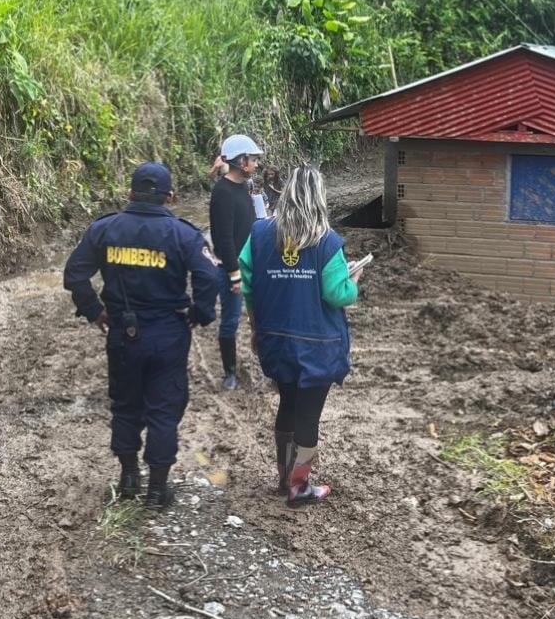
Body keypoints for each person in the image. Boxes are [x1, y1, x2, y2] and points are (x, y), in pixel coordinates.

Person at [63, 162, 219, 510]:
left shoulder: (105, 229)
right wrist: (200, 314)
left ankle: (129, 477)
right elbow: (209, 278)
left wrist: (95, 311)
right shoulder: (184, 234)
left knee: (125, 404)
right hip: (168, 334)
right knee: (164, 409)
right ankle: (157, 490)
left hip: (122, 332)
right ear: (170, 196)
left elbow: (75, 273)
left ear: (130, 193)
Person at [239, 166, 359, 506]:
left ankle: (283, 478)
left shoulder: (260, 235)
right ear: (318, 198)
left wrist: (255, 328)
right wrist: (353, 282)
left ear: (287, 192)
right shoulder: (327, 241)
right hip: (317, 344)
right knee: (309, 414)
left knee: (287, 403)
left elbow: (249, 285)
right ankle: (300, 487)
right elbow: (337, 294)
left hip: (275, 338)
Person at [209, 134, 263, 390]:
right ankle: (229, 372)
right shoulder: (222, 192)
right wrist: (233, 273)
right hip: (232, 267)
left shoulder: (244, 187)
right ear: (242, 161)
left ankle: (266, 364)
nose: (255, 163)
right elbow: (223, 238)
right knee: (230, 320)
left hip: (251, 264)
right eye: (252, 159)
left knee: (259, 317)